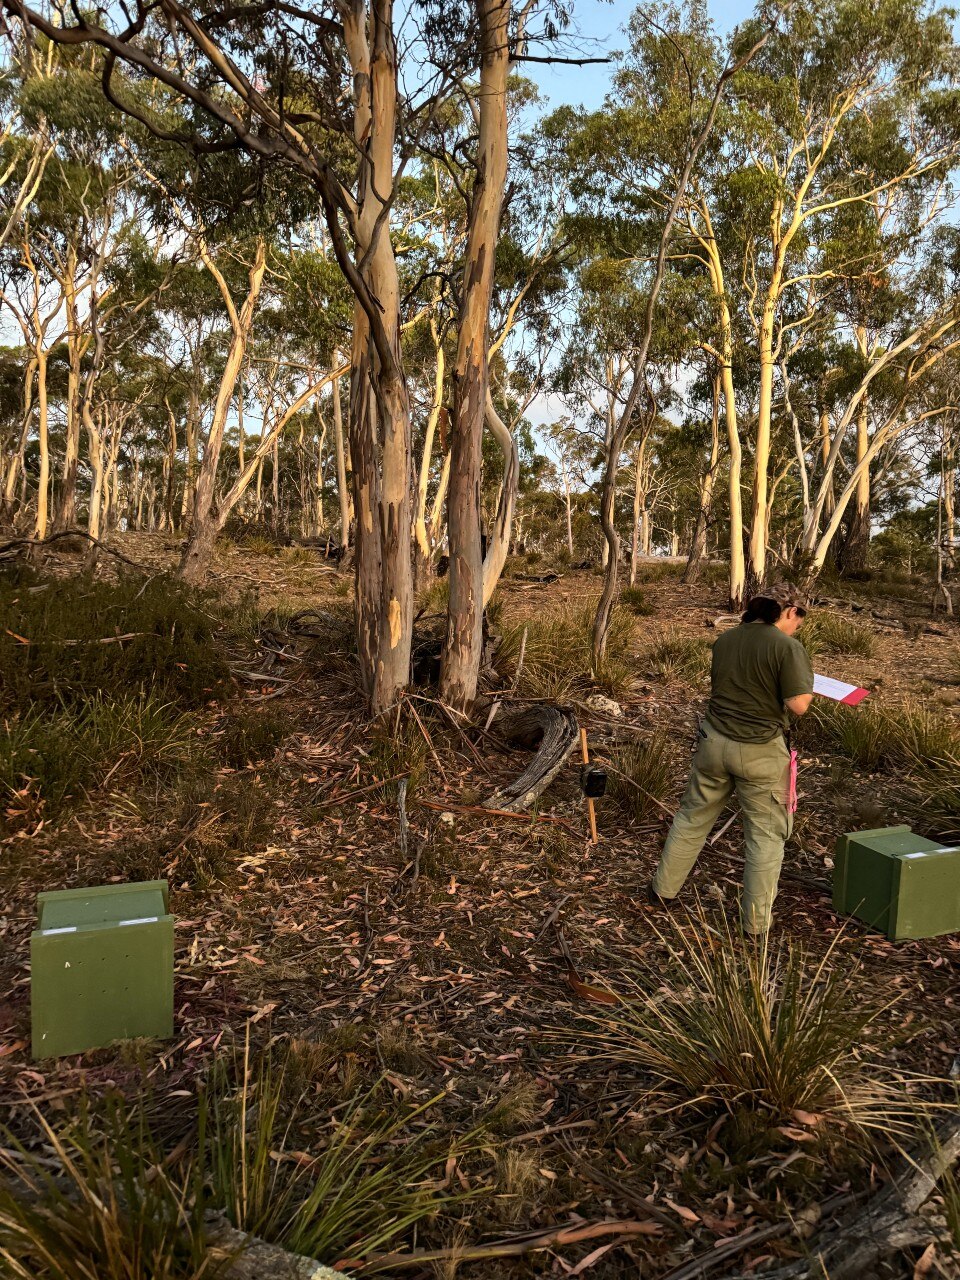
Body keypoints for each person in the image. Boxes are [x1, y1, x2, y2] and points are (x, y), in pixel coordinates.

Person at [649, 581, 814, 934]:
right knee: (765, 835)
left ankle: (663, 891)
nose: (798, 625)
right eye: (798, 618)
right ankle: (755, 925)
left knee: (693, 816)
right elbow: (798, 705)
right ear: (788, 611)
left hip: (713, 742)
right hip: (759, 750)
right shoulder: (788, 647)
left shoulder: (726, 639)